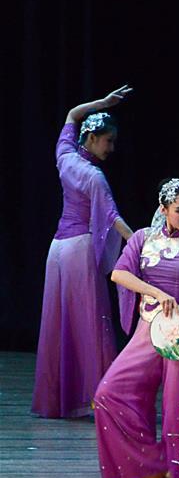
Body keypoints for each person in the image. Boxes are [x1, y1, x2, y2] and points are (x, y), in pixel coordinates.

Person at [94, 178, 179, 478]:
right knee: (108, 393)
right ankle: (155, 469)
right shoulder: (142, 239)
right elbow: (119, 274)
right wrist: (156, 292)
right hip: (148, 331)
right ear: (163, 210)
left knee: (178, 413)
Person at [32, 85, 135, 418]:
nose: (112, 147)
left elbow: (71, 115)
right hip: (78, 249)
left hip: (57, 250)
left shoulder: (65, 155)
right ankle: (100, 398)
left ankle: (63, 398)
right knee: (91, 322)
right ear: (92, 139)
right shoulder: (94, 176)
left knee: (61, 325)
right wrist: (140, 243)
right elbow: (113, 218)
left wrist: (102, 103)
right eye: (108, 141)